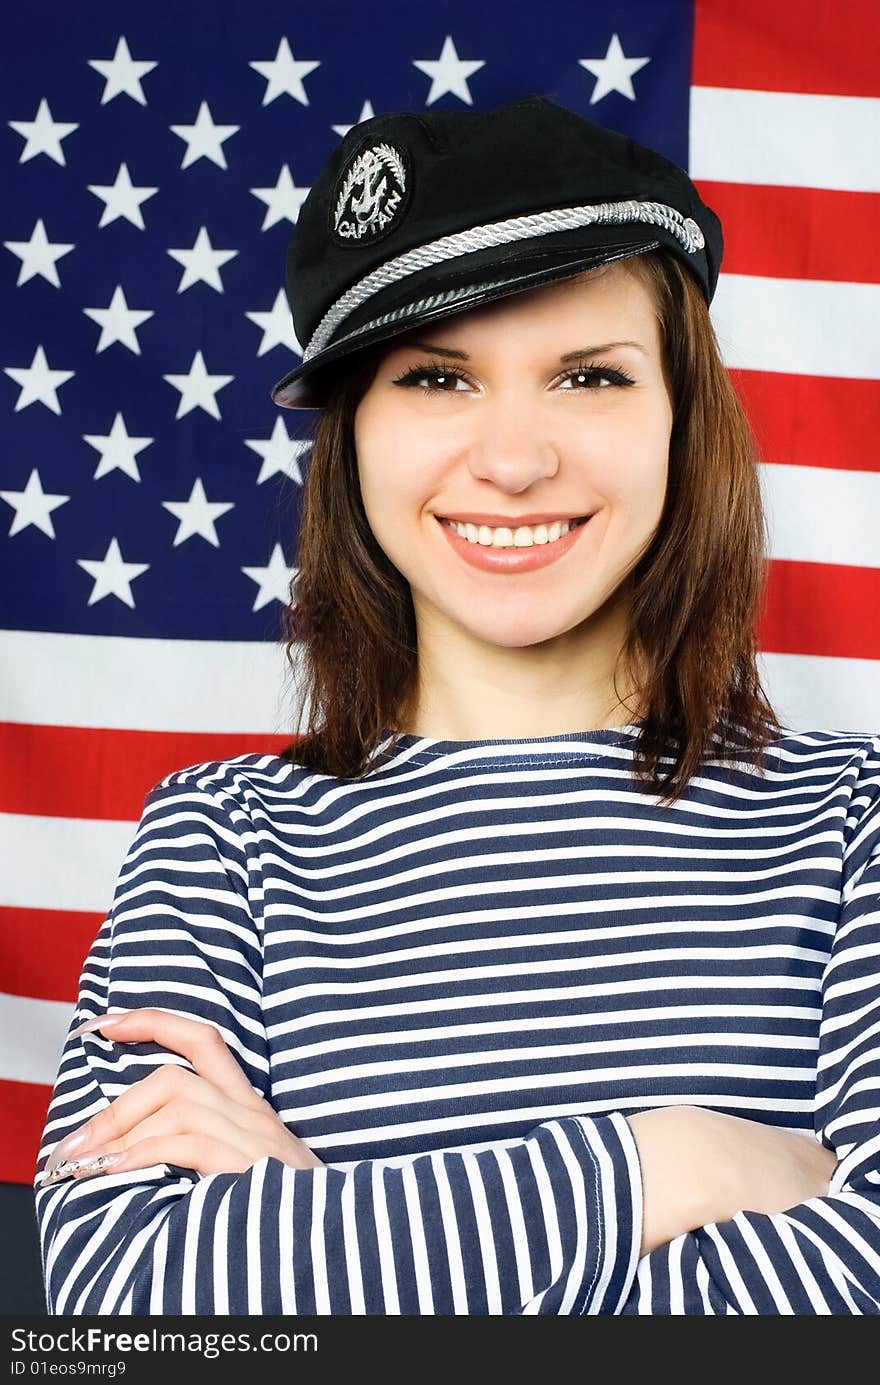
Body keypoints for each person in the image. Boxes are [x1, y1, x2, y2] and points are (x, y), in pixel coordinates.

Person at [34, 95, 880, 1316]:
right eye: (437, 378)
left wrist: (315, 1218)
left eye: (588, 374)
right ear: (353, 438)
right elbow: (124, 1304)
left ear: (682, 418)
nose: (515, 458)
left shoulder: (852, 820)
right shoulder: (220, 840)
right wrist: (666, 1160)